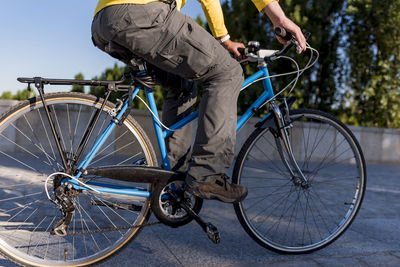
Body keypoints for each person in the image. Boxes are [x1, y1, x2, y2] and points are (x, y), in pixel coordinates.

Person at [91, 0, 306, 203]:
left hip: (104, 21)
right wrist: (225, 39)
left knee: (184, 84)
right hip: (142, 13)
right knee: (228, 73)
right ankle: (207, 174)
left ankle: (172, 178)